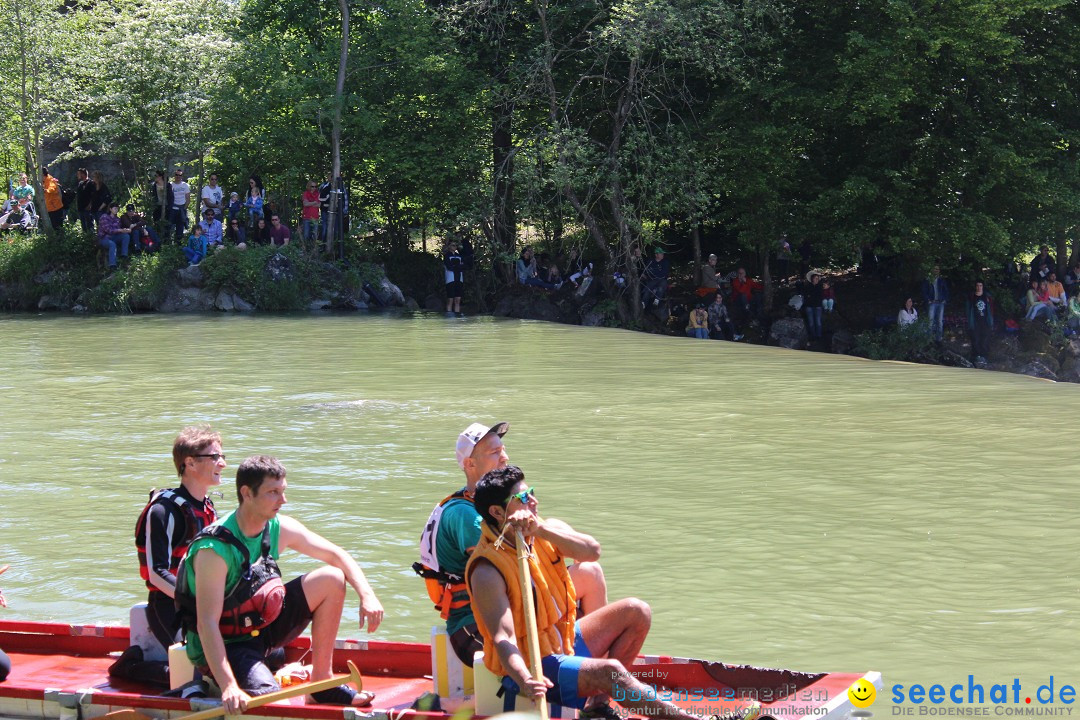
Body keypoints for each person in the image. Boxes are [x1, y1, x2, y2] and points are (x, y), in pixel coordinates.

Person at [466, 466, 743, 720]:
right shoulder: (487, 570)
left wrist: (541, 530)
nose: (533, 501)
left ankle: (597, 706)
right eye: (523, 498)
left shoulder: (543, 529)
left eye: (531, 492)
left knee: (636, 611)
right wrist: (526, 678)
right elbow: (504, 638)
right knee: (611, 671)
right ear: (498, 513)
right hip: (530, 666)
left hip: (561, 640)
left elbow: (592, 551)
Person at [176, 455, 383, 713]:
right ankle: (231, 678)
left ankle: (321, 684)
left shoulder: (276, 526)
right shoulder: (215, 550)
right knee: (272, 701)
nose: (282, 501)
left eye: (283, 491)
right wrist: (229, 685)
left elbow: (337, 555)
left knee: (332, 578)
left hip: (260, 629)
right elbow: (206, 624)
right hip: (228, 645)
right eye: (273, 492)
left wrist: (368, 596)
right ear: (247, 493)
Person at [414, 423, 606, 671]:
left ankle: (591, 669)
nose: (504, 457)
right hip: (475, 627)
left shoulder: (499, 502)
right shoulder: (466, 515)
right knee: (585, 578)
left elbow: (585, 552)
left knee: (590, 572)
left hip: (512, 607)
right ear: (470, 464)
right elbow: (508, 568)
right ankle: (591, 672)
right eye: (494, 452)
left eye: (503, 449)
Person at [110, 426, 223, 686]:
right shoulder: (162, 511)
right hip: (170, 607)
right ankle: (131, 668)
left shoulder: (208, 507)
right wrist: (199, 602)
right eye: (215, 457)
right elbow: (156, 573)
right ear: (190, 463)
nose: (223, 464)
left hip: (206, 604)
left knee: (272, 653)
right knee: (200, 678)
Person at [967, 281, 994, 365]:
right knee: (975, 339)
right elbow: (968, 309)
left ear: (983, 287)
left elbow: (991, 309)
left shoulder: (987, 296)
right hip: (975, 321)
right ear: (975, 287)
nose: (979, 287)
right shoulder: (971, 297)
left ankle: (984, 356)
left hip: (985, 321)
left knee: (985, 339)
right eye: (977, 285)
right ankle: (976, 356)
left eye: (980, 285)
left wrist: (991, 321)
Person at [98, 203, 132, 268]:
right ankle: (112, 265)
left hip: (113, 237)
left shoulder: (117, 219)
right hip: (104, 238)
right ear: (110, 209)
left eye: (117, 209)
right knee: (112, 244)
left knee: (126, 236)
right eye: (115, 208)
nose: (116, 210)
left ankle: (124, 255)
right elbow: (108, 230)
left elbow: (118, 229)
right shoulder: (104, 217)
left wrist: (125, 230)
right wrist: (120, 230)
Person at [921, 266, 949, 342]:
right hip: (932, 303)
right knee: (930, 322)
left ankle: (938, 340)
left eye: (937, 269)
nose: (936, 270)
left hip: (940, 303)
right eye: (934, 269)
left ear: (939, 271)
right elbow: (924, 291)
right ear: (932, 270)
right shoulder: (928, 279)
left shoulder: (942, 280)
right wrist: (928, 300)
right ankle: (929, 340)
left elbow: (946, 290)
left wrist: (945, 299)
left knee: (940, 322)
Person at [803, 270, 824, 340]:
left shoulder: (820, 286)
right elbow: (806, 296)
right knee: (811, 322)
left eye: (818, 278)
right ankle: (813, 336)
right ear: (812, 279)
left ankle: (819, 336)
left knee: (818, 322)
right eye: (816, 278)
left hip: (818, 306)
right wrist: (811, 297)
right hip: (809, 306)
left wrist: (811, 296)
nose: (817, 280)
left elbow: (820, 296)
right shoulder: (807, 286)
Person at [171, 170, 191, 242]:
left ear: (182, 176)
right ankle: (169, 244)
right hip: (173, 209)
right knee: (171, 227)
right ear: (174, 175)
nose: (178, 177)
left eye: (180, 175)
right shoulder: (171, 185)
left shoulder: (185, 185)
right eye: (177, 175)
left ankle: (178, 243)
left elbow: (188, 199)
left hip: (182, 209)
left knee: (180, 227)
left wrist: (184, 208)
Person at [445, 240, 464, 313]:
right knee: (450, 299)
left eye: (456, 245)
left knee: (458, 299)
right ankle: (449, 315)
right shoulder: (447, 256)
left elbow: (463, 266)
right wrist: (458, 266)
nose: (455, 247)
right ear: (449, 246)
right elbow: (449, 267)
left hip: (459, 279)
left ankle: (457, 315)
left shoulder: (459, 256)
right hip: (450, 279)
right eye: (453, 245)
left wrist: (456, 266)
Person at [76, 168, 96, 232]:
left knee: (89, 223)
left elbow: (93, 195)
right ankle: (85, 237)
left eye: (79, 174)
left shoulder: (91, 183)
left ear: (83, 174)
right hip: (80, 207)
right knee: (83, 224)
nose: (77, 175)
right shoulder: (80, 184)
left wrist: (90, 204)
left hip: (88, 207)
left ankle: (92, 236)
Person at [301, 181, 320, 246]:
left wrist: (310, 203)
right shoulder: (305, 193)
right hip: (306, 217)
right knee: (306, 235)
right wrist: (315, 202)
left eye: (315, 186)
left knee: (315, 235)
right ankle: (305, 250)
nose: (314, 188)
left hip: (315, 217)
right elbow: (305, 204)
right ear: (309, 186)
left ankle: (314, 250)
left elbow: (319, 205)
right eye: (312, 186)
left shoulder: (318, 194)